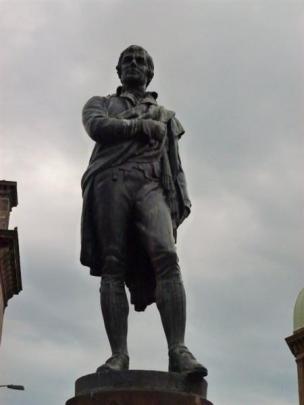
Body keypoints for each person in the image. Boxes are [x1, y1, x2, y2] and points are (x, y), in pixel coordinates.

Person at [80, 45, 207, 377]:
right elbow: (98, 127)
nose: (134, 65)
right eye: (128, 61)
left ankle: (178, 350)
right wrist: (139, 126)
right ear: (118, 71)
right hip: (111, 180)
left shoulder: (165, 114)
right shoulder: (100, 103)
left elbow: (174, 165)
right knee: (113, 264)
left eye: (141, 61)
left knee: (167, 255)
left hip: (151, 184)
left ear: (150, 73)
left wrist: (178, 200)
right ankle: (118, 355)